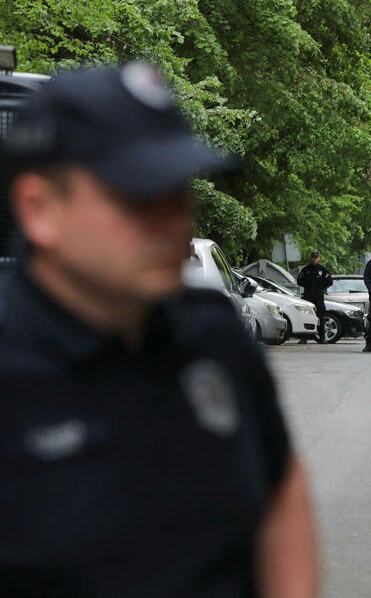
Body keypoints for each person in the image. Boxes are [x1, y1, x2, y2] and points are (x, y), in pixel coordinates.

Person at [0, 63, 318, 596]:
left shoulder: (213, 336)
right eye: (137, 196)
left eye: (177, 192)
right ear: (39, 209)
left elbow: (280, 487)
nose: (173, 221)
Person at [297, 250, 332, 343]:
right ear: (311, 258)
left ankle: (322, 338)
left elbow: (330, 281)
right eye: (313, 257)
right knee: (306, 316)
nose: (314, 259)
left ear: (318, 258)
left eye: (316, 257)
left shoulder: (322, 269)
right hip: (308, 296)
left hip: (318, 296)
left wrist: (321, 286)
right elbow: (299, 281)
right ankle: (304, 338)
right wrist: (308, 285)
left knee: (320, 316)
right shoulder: (306, 269)